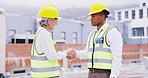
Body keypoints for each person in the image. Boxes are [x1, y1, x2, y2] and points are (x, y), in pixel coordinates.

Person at [70, 2, 123, 78]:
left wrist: (114, 76)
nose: (91, 18)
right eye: (91, 16)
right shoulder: (92, 34)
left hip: (104, 74)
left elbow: (117, 57)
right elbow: (86, 53)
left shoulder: (112, 32)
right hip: (91, 73)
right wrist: (75, 53)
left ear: (102, 16)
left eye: (93, 16)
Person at [31, 4, 76, 78]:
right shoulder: (43, 34)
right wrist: (66, 53)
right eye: (56, 20)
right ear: (49, 20)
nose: (57, 23)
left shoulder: (40, 33)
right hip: (46, 76)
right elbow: (52, 56)